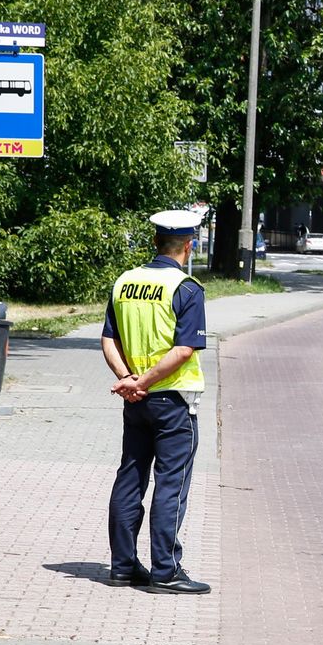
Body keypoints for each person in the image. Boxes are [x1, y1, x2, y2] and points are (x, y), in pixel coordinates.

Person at [101, 209, 211, 594]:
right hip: (173, 400)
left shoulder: (125, 282)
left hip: (136, 401)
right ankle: (165, 570)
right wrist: (145, 380)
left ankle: (122, 566)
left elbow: (108, 340)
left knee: (130, 478)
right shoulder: (186, 288)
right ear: (189, 245)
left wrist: (127, 381)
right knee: (171, 484)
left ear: (154, 242)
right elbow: (184, 350)